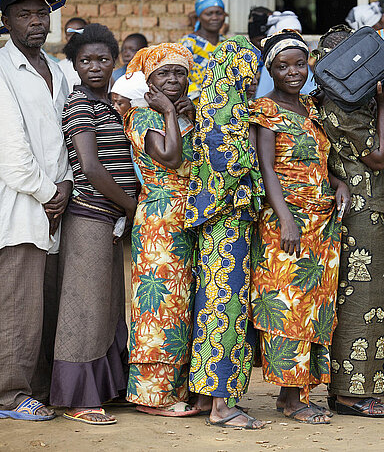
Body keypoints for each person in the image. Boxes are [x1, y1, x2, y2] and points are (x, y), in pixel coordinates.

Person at [249, 30, 350, 424]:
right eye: (281, 65)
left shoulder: (310, 107)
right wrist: (286, 219)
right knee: (289, 306)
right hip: (287, 224)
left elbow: (319, 160)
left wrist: (336, 183)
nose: (292, 71)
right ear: (269, 69)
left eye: (298, 63)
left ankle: (296, 393)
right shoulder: (265, 110)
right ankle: (292, 400)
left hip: (322, 224)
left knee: (314, 307)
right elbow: (268, 168)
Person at [51, 24, 139, 425]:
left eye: (103, 59)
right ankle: (77, 397)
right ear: (75, 64)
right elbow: (89, 167)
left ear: (115, 61)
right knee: (83, 310)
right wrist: (130, 206)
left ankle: (105, 387)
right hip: (89, 215)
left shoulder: (110, 105)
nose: (95, 66)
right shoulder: (80, 104)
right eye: (85, 60)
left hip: (109, 220)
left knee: (106, 308)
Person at [184, 36, 266, 430]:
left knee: (211, 310)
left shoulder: (214, 105)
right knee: (227, 312)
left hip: (217, 225)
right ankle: (222, 406)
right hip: (227, 224)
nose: (254, 78)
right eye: (250, 69)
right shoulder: (226, 112)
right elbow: (228, 166)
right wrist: (256, 180)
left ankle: (205, 396)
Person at [314, 26, 384, 418]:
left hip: (351, 208)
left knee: (355, 296)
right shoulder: (344, 110)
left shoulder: (324, 100)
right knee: (362, 299)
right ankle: (349, 394)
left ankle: (348, 389)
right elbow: (378, 157)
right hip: (360, 212)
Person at [0, 0, 72, 421]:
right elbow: (11, 154)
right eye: (24, 14)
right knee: (18, 304)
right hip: (21, 205)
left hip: (56, 203)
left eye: (41, 13)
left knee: (45, 303)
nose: (36, 21)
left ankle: (37, 390)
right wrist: (49, 193)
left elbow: (66, 139)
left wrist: (64, 186)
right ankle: (9, 395)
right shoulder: (2, 70)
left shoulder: (58, 70)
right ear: (6, 22)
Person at [123, 43, 200, 417]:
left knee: (182, 305)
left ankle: (176, 388)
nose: (172, 79)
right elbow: (170, 156)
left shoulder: (187, 114)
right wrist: (169, 112)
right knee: (159, 306)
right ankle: (151, 396)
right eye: (163, 73)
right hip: (159, 217)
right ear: (149, 80)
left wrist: (191, 117)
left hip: (188, 217)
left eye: (179, 72)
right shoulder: (142, 116)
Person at [255, 11, 316, 98]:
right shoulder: (265, 109)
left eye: (300, 64)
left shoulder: (309, 104)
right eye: (283, 66)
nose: (293, 72)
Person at [179, 0, 226, 100]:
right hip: (193, 102)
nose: (215, 17)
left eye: (219, 13)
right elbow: (179, 74)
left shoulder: (226, 43)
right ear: (199, 17)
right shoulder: (188, 43)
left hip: (223, 103)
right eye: (209, 14)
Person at [58, 16, 87, 89]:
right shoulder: (60, 68)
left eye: (79, 32)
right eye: (70, 34)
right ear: (65, 38)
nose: (74, 37)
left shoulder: (96, 64)